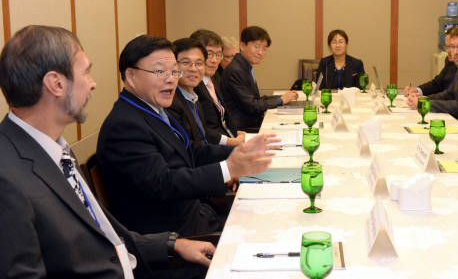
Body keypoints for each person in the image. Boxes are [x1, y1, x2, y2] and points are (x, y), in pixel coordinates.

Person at [0, 25, 215, 279]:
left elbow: (103, 235)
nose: (93, 84)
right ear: (56, 83)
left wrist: (171, 245)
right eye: (86, 72)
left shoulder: (54, 150)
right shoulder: (8, 177)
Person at [97, 35, 279, 237]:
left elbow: (190, 150)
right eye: (160, 71)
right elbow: (165, 183)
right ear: (131, 76)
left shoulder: (153, 109)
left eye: (174, 71)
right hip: (177, 239)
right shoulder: (125, 126)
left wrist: (238, 151)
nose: (171, 79)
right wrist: (228, 169)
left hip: (197, 216)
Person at [219, 26, 298, 130]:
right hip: (244, 129)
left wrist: (281, 97)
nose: (261, 52)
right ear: (242, 46)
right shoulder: (236, 70)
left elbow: (255, 100)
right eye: (256, 47)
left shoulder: (244, 66)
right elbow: (252, 106)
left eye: (264, 49)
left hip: (252, 123)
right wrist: (281, 100)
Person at [190, 29, 245, 146]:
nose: (214, 60)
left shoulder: (215, 79)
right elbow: (200, 128)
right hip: (212, 149)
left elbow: (222, 118)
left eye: (218, 54)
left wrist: (235, 133)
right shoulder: (191, 86)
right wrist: (230, 141)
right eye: (209, 54)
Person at [402, 29, 458, 97]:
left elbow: (455, 99)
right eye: (447, 46)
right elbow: (437, 84)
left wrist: (425, 100)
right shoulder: (450, 61)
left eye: (452, 46)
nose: (448, 51)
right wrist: (417, 90)